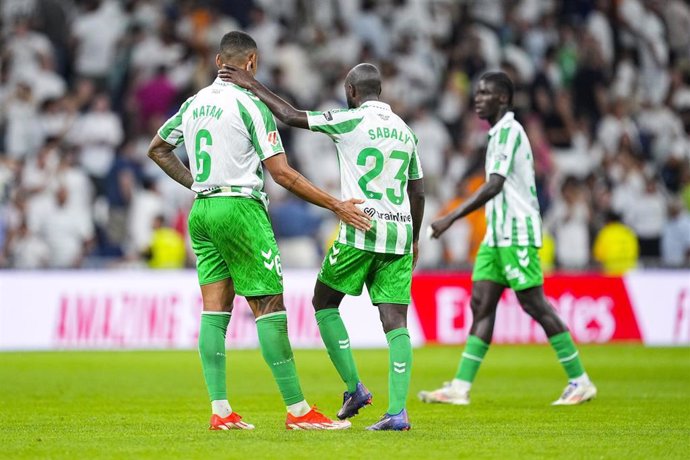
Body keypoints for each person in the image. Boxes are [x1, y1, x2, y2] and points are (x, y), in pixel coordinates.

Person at [148, 31, 371, 431]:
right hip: (240, 209)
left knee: (214, 310)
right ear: (251, 63)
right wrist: (336, 204)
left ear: (219, 61)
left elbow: (158, 148)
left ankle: (221, 411)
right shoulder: (250, 104)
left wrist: (198, 185)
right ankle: (299, 412)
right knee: (269, 307)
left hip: (202, 211)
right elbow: (282, 173)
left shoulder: (194, 102)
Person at [219, 62, 425, 430]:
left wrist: (252, 84)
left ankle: (354, 388)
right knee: (396, 322)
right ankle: (397, 412)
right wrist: (416, 238)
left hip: (360, 228)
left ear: (351, 92)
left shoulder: (350, 120)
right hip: (400, 234)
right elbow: (418, 190)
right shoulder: (405, 131)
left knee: (324, 302)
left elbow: (290, 115)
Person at [418, 72, 596, 406]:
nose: (477, 98)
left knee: (533, 303)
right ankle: (460, 387)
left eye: (485, 93)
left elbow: (495, 184)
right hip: (495, 236)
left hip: (516, 232)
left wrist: (451, 216)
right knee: (481, 303)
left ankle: (580, 380)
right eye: (476, 91)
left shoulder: (510, 132)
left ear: (502, 99)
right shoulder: (496, 133)